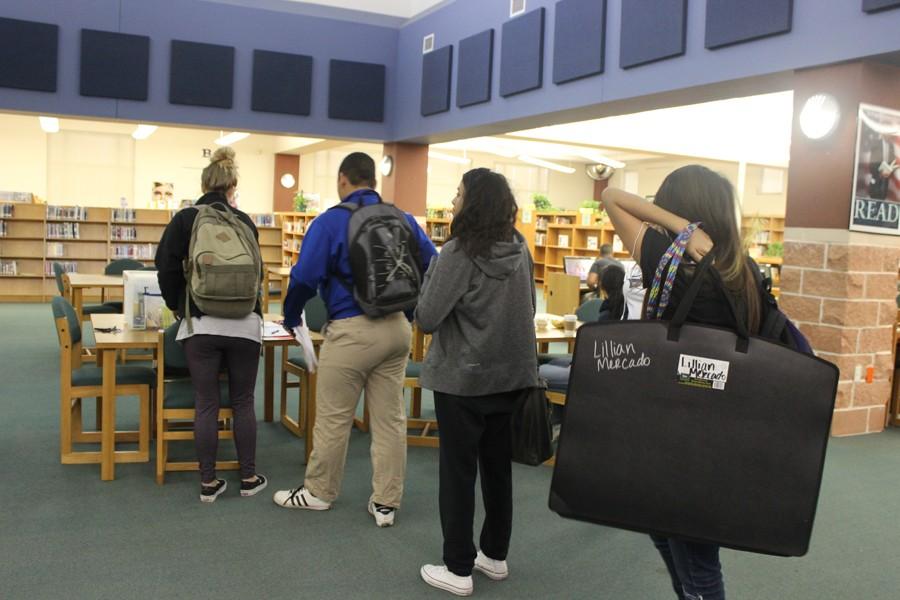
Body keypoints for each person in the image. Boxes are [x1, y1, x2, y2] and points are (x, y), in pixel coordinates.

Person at [602, 164, 763, 600]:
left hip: (671, 425)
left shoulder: (665, 254)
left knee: (690, 549)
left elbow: (612, 196)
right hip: (720, 425)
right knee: (674, 531)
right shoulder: (744, 271)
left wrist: (680, 229)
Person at [273, 152, 437, 527]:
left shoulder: (331, 222)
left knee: (333, 417)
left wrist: (290, 315)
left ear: (343, 179)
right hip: (397, 330)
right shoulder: (404, 219)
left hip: (351, 330)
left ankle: (318, 492)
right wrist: (412, 311)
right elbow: (432, 265)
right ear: (374, 181)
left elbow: (304, 277)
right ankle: (386, 503)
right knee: (390, 419)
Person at [416, 168, 538, 597]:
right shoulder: (521, 249)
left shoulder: (458, 252)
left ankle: (458, 568)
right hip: (510, 377)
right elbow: (530, 306)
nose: (452, 202)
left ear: (474, 202)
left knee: (457, 473)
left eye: (457, 194)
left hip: (463, 380)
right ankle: (495, 556)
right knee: (496, 470)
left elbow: (427, 316)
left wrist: (433, 267)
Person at [155, 146, 267, 503]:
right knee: (243, 402)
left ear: (204, 182)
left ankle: (208, 483)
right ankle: (248, 477)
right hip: (245, 324)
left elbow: (166, 268)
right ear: (232, 186)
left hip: (201, 324)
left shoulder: (184, 219)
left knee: (205, 402)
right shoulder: (245, 222)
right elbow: (258, 273)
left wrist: (179, 307)